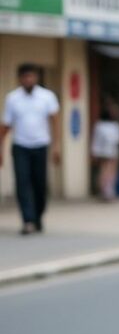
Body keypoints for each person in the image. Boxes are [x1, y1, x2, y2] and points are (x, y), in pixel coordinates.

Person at [0, 63, 61, 234]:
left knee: (39, 184)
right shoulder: (12, 98)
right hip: (20, 146)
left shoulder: (47, 97)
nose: (28, 80)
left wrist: (57, 146)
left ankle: (37, 217)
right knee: (22, 183)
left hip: (41, 145)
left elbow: (55, 121)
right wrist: (1, 149)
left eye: (31, 76)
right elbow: (5, 125)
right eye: (25, 77)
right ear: (20, 79)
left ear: (36, 78)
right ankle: (27, 220)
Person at [91, 108, 119, 201]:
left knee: (103, 171)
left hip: (102, 152)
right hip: (113, 152)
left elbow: (96, 140)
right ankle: (109, 192)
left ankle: (104, 191)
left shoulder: (99, 125)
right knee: (111, 172)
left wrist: (94, 152)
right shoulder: (115, 126)